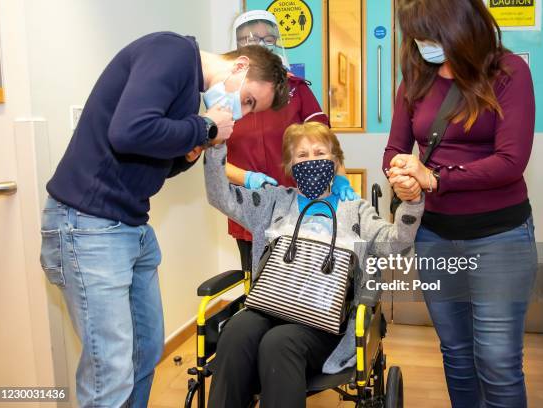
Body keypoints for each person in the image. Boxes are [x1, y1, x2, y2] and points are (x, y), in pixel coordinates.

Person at [39, 31, 289, 407]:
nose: (243, 112)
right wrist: (203, 127)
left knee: (144, 351)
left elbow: (145, 155)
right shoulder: (172, 52)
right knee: (111, 369)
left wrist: (184, 156)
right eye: (248, 100)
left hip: (130, 226)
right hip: (88, 224)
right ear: (239, 66)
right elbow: (128, 131)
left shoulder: (191, 95)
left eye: (251, 109)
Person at [204, 122, 424, 408]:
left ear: (335, 162)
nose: (312, 161)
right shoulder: (274, 202)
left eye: (320, 153)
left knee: (279, 342)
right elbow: (219, 196)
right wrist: (217, 148)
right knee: (236, 330)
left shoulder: (353, 210)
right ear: (289, 164)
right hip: (270, 305)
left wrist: (412, 202)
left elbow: (396, 243)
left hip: (323, 320)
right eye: (302, 155)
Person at [383, 1, 537, 407]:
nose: (423, 45)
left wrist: (434, 179)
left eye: (430, 35)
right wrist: (401, 177)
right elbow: (395, 148)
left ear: (460, 26)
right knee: (456, 355)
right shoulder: (415, 77)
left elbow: (510, 161)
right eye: (416, 36)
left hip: (499, 238)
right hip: (434, 236)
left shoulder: (508, 72)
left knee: (498, 362)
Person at [226, 10, 358, 272]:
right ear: (236, 46)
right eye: (249, 39)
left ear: (277, 41)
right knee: (258, 282)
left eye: (267, 38)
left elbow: (325, 146)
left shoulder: (297, 89)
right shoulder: (225, 96)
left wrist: (340, 177)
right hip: (248, 207)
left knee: (300, 284)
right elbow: (214, 162)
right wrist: (248, 178)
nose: (259, 45)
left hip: (299, 205)